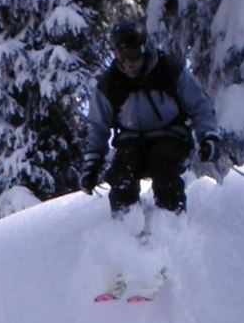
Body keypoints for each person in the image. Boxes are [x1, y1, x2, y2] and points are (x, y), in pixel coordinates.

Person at [80, 18, 220, 215]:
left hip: (170, 135)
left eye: (133, 53)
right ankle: (125, 226)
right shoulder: (110, 84)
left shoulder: (168, 70)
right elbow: (98, 125)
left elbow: (200, 104)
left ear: (144, 49)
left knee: (164, 169)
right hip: (131, 140)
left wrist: (208, 135)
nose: (128, 62)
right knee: (122, 177)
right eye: (122, 55)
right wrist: (92, 163)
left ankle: (172, 222)